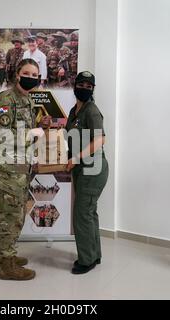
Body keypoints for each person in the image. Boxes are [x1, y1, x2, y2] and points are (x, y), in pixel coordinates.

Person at [0, 58, 47, 280]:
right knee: (10, 216)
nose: (31, 77)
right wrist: (31, 134)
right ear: (17, 74)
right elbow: (2, 134)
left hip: (20, 167)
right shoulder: (7, 98)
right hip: (6, 169)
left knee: (14, 213)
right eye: (27, 73)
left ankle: (2, 256)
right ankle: (8, 266)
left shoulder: (27, 100)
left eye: (35, 74)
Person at [65, 71, 109, 275]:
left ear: (93, 89)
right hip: (81, 168)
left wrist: (75, 158)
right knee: (89, 213)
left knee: (82, 214)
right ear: (75, 86)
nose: (84, 88)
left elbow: (100, 140)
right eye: (80, 85)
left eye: (88, 86)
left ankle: (86, 260)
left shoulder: (91, 111)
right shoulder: (75, 110)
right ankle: (94, 254)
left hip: (93, 169)